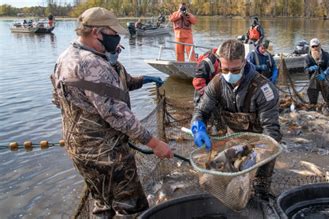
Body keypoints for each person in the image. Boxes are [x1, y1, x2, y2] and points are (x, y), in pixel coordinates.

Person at [50, 7, 172, 218]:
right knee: (131, 207)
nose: (117, 38)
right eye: (113, 33)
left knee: (102, 203)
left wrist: (144, 80)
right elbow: (117, 115)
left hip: (79, 150)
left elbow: (59, 99)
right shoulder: (92, 64)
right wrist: (155, 143)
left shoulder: (67, 56)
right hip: (107, 154)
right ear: (97, 32)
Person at [190, 39, 281, 201]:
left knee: (259, 190)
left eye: (235, 69)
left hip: (261, 143)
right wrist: (198, 126)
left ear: (244, 62)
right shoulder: (216, 83)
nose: (229, 74)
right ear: (219, 63)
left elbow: (272, 132)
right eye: (225, 69)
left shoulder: (264, 89)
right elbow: (201, 111)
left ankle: (261, 195)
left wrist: (256, 157)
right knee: (220, 181)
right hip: (233, 139)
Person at [304, 38, 329, 113]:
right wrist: (310, 69)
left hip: (325, 79)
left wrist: (325, 73)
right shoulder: (307, 57)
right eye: (313, 46)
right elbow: (305, 70)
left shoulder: (326, 55)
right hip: (313, 80)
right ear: (310, 47)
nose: (315, 48)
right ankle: (313, 109)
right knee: (312, 101)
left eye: (316, 46)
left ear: (320, 45)